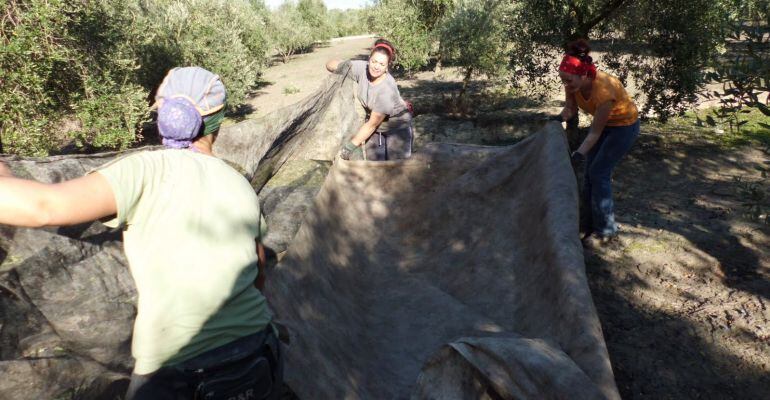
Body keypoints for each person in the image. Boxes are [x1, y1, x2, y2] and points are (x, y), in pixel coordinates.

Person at [0, 67, 282, 399]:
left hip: (177, 368)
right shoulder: (238, 182)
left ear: (163, 113)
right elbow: (259, 269)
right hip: (258, 348)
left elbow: (42, 208)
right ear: (218, 121)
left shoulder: (145, 171)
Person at [554, 39, 640, 242]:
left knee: (598, 173)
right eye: (563, 80)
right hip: (606, 125)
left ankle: (605, 232)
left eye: (569, 81)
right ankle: (587, 223)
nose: (566, 85)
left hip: (624, 128)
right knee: (590, 173)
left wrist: (578, 154)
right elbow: (570, 109)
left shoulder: (603, 92)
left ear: (583, 75)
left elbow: (594, 133)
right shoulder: (573, 83)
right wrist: (558, 119)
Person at [326, 38, 414, 161]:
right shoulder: (362, 68)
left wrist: (349, 146)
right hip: (375, 127)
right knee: (374, 166)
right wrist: (340, 65)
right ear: (369, 60)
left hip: (397, 127)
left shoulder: (387, 89)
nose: (376, 67)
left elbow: (372, 125)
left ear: (387, 67)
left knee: (396, 170)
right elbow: (331, 65)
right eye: (374, 61)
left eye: (382, 64)